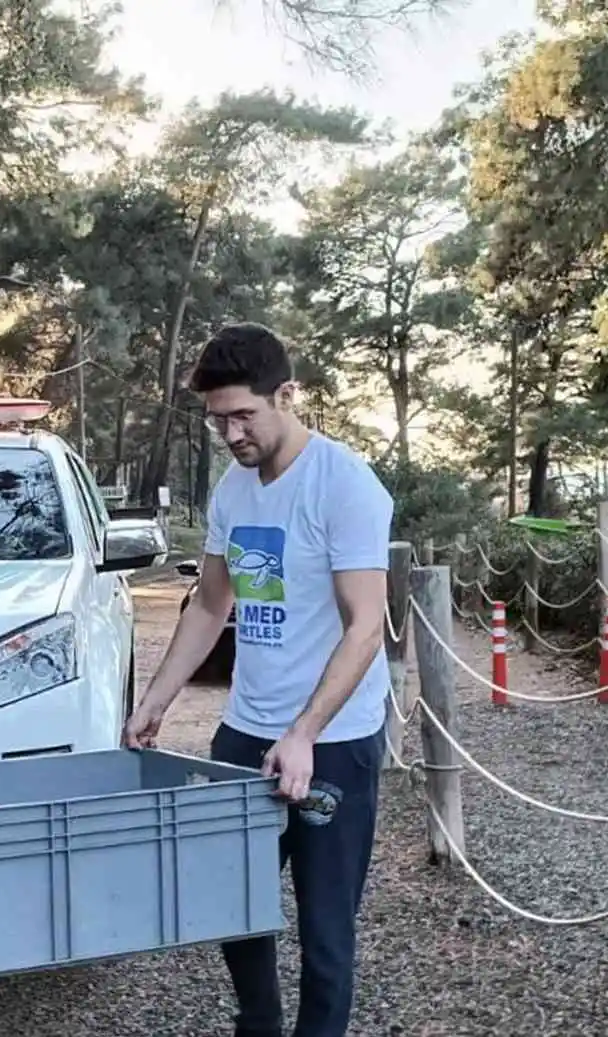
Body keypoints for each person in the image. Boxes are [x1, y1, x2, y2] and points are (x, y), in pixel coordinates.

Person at [123, 322, 392, 1037]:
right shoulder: (235, 490)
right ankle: (259, 1026)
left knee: (324, 930)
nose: (233, 432)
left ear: (288, 394)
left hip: (333, 740)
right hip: (244, 730)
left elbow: (366, 625)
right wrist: (155, 698)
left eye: (245, 414)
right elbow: (213, 602)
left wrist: (305, 731)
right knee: (234, 902)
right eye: (219, 420)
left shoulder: (345, 484)